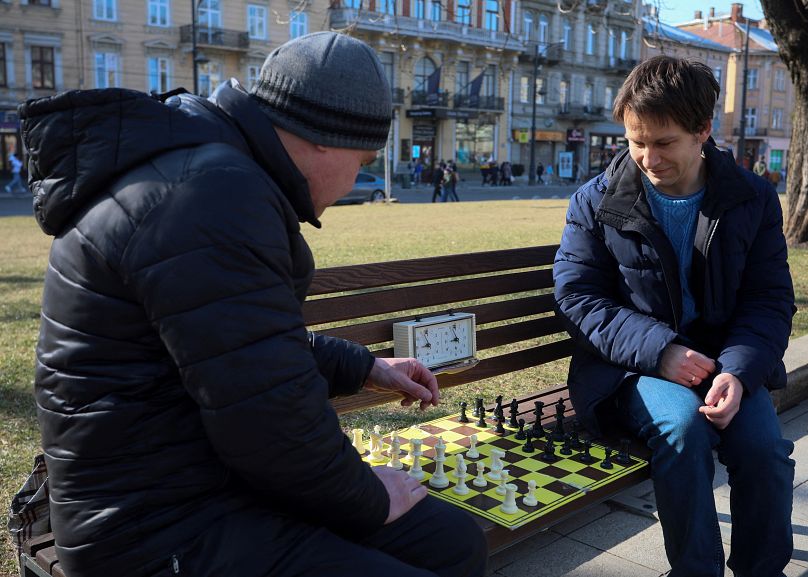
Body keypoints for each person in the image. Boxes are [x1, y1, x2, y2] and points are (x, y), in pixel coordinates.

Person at [19, 32, 487, 577]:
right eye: (362, 160)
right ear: (324, 140)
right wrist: (369, 497)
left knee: (449, 541)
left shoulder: (215, 172)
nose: (355, 180)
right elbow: (270, 425)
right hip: (147, 527)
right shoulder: (210, 192)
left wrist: (364, 366)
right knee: (430, 544)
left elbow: (243, 352)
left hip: (198, 480)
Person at [553, 55, 795, 577]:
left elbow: (769, 299)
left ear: (702, 131)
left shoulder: (751, 198)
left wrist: (739, 369)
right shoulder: (596, 202)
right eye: (635, 141)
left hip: (723, 364)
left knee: (764, 451)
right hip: (629, 367)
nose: (647, 157)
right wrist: (660, 351)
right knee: (682, 431)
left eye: (663, 143)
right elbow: (578, 298)